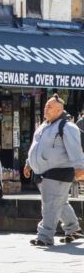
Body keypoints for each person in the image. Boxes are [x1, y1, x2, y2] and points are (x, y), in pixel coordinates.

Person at [24, 94, 84, 246]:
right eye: (45, 106)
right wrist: (28, 163)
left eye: (49, 107)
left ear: (59, 110)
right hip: (43, 172)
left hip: (60, 171)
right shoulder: (43, 126)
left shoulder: (67, 127)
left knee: (50, 204)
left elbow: (75, 149)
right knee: (60, 202)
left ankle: (44, 236)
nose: (45, 109)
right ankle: (73, 229)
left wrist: (79, 168)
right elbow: (35, 147)